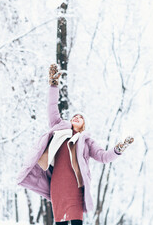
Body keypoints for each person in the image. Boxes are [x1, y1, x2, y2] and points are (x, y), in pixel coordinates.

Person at [17, 64, 134, 225]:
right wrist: (53, 85)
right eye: (75, 116)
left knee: (76, 222)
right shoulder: (59, 127)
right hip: (57, 185)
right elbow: (52, 107)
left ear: (84, 124)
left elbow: (104, 157)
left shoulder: (86, 141)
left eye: (81, 117)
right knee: (60, 222)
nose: (76, 117)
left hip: (75, 187)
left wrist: (118, 149)